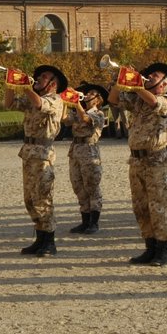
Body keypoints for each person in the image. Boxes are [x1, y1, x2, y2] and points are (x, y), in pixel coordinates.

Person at [113, 61, 167, 266]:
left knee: (158, 206)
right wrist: (120, 77)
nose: (149, 76)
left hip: (155, 160)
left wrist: (137, 84)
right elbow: (113, 98)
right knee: (140, 207)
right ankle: (150, 247)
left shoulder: (166, 100)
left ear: (164, 85)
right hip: (136, 160)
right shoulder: (138, 101)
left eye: (155, 75)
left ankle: (162, 250)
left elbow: (154, 103)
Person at [5, 63, 65, 255]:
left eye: (44, 77)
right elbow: (9, 103)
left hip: (43, 153)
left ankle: (49, 241)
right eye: (38, 76)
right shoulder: (33, 98)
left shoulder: (55, 99)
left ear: (53, 84)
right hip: (29, 152)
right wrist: (10, 83)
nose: (38, 78)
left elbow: (40, 104)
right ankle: (40, 237)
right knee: (30, 199)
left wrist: (25, 86)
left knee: (43, 197)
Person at [65, 83, 109, 233]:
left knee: (92, 186)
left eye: (92, 93)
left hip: (90, 151)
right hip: (76, 150)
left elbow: (85, 118)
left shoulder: (99, 114)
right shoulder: (78, 111)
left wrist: (76, 101)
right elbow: (65, 119)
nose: (88, 95)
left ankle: (94, 222)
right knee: (78, 186)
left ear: (97, 100)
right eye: (87, 93)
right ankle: (85, 221)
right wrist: (66, 101)